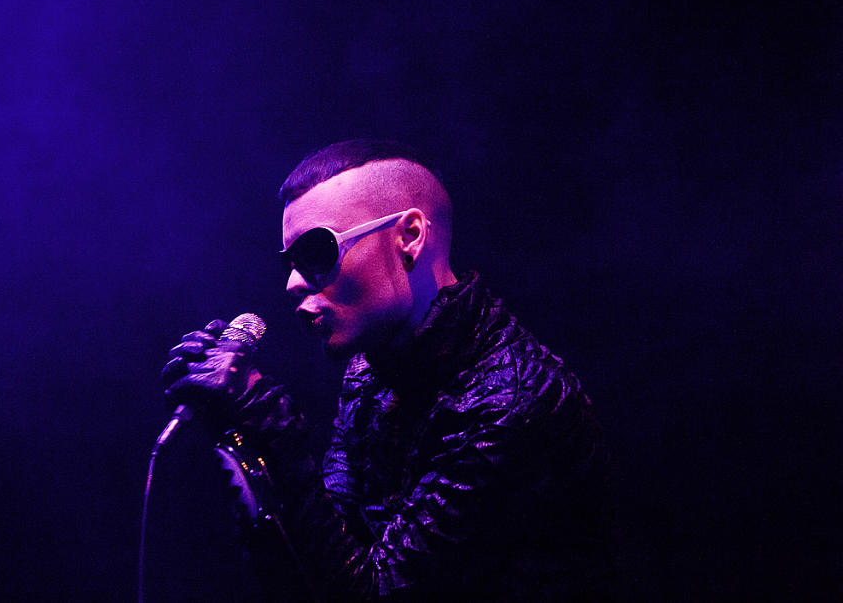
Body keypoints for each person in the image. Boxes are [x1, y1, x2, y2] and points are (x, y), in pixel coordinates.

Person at [162, 140, 617, 602]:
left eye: (317, 252)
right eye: (290, 263)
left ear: (410, 236)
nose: (293, 283)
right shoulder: (369, 371)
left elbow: (376, 592)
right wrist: (241, 438)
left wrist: (274, 431)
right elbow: (320, 564)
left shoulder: (515, 403)